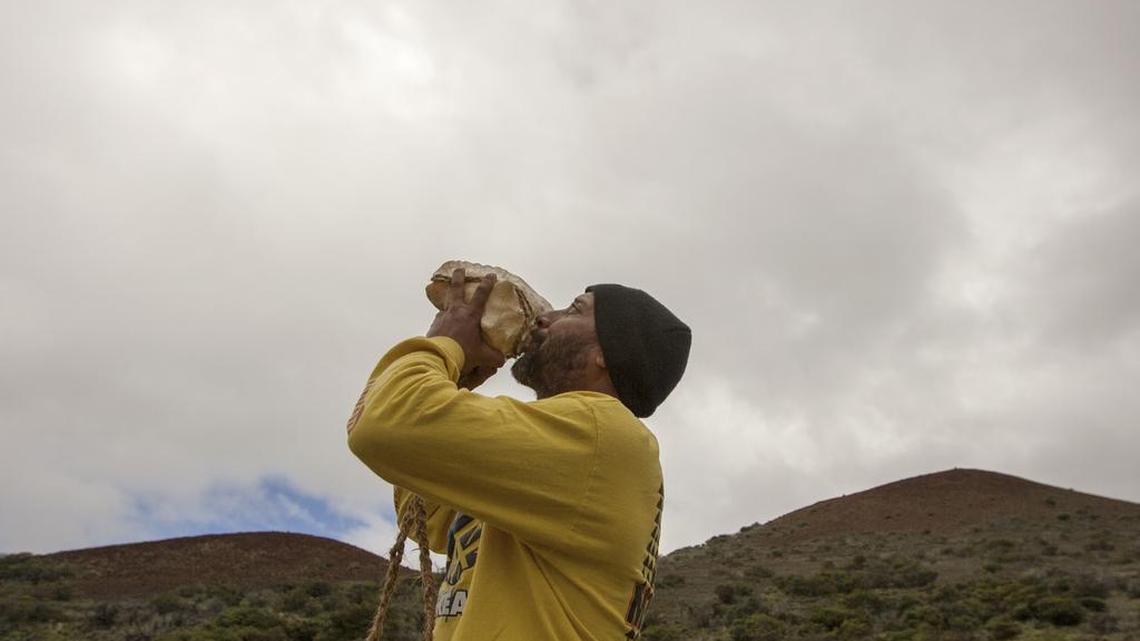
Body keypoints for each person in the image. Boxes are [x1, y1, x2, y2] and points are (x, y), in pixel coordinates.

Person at [347, 268, 691, 641]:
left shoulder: (599, 432)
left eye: (574, 310)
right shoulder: (564, 456)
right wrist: (457, 381)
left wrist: (446, 344)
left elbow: (383, 425)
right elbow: (432, 523)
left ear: (606, 355)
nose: (545, 317)